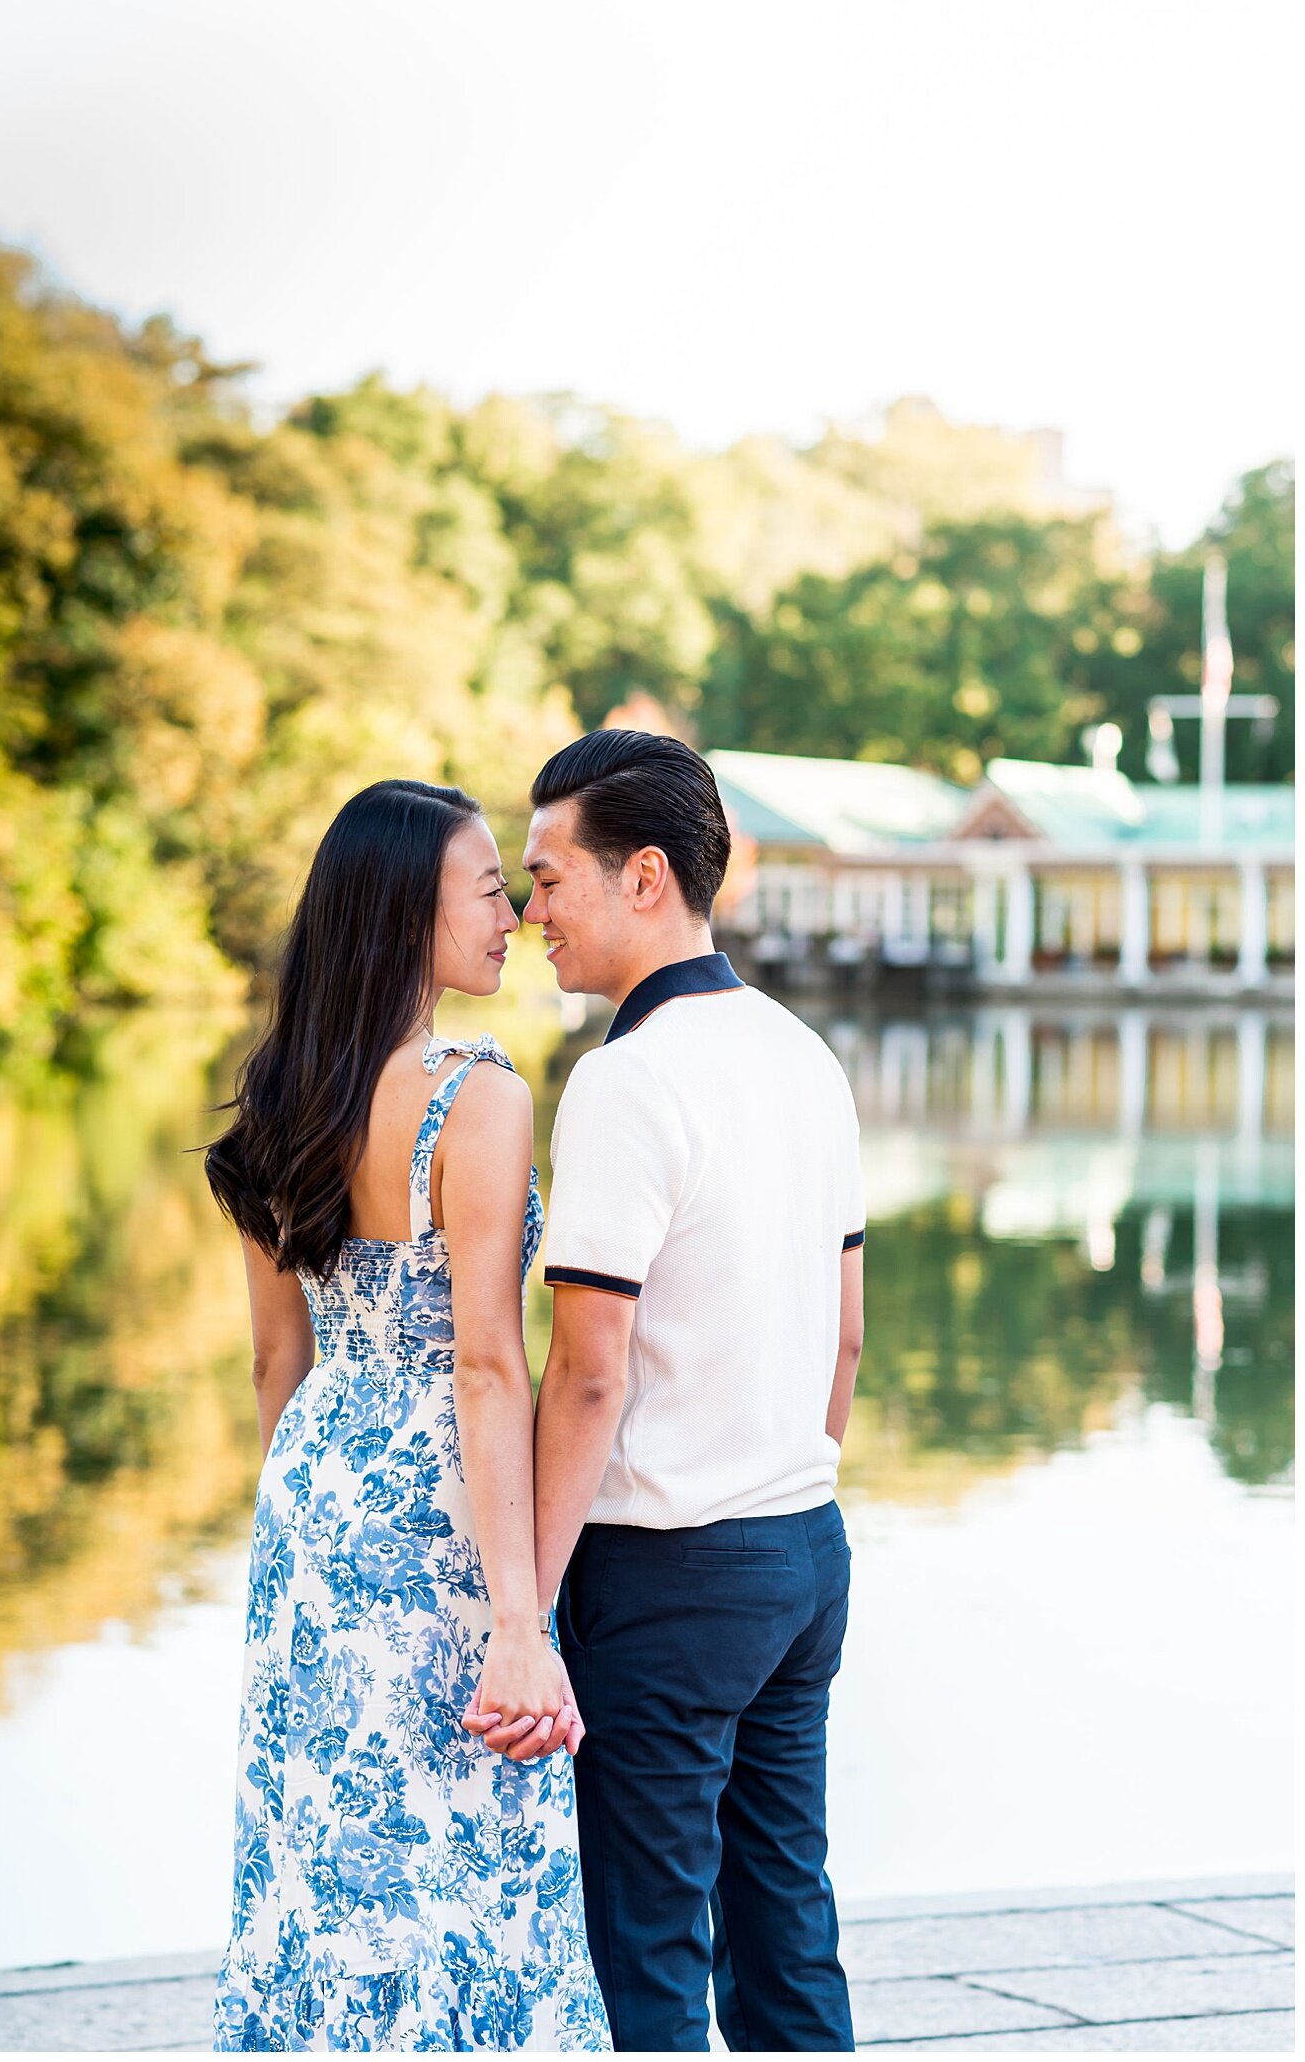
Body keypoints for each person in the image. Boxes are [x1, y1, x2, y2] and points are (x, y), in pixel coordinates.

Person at [473, 729, 865, 2053]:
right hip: (804, 1555)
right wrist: (779, 1489)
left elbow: (588, 1372)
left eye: (546, 877)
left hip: (670, 1574)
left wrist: (525, 1601)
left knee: (642, 1964)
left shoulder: (629, 1081)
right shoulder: (806, 1056)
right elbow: (847, 1343)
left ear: (645, 878)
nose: (529, 915)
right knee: (785, 1934)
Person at [204, 778, 611, 2053]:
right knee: (461, 1853)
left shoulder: (281, 1090)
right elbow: (489, 1368)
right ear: (404, 915)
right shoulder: (474, 1094)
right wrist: (519, 1620)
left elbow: (280, 1362)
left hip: (316, 1500)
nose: (512, 913)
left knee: (328, 1855)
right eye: (488, 887)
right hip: (443, 1511)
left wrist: (314, 1536)